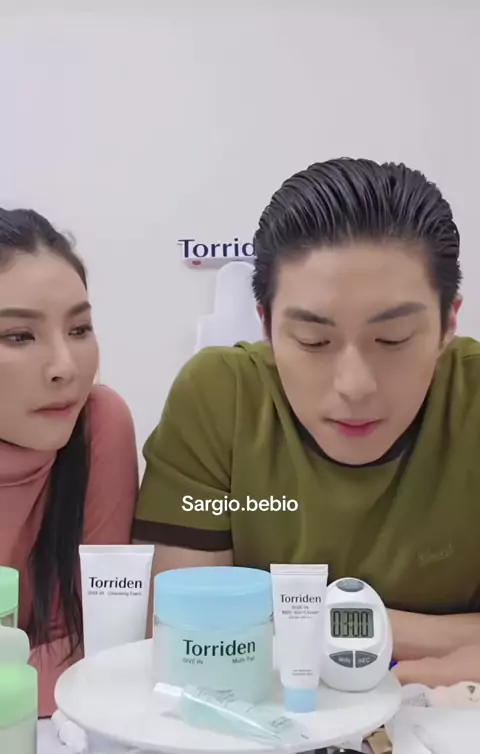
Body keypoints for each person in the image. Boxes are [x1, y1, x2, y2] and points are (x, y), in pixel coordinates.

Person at [133, 157, 480, 688]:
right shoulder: (220, 398)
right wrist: (406, 633)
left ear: (447, 323)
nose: (354, 384)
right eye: (314, 341)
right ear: (267, 326)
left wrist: (287, 620)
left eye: (392, 340)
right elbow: (188, 631)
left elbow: (229, 625)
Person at [0, 208, 138, 716]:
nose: (65, 368)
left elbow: (92, 642)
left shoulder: (98, 424)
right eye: (19, 336)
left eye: (79, 329)